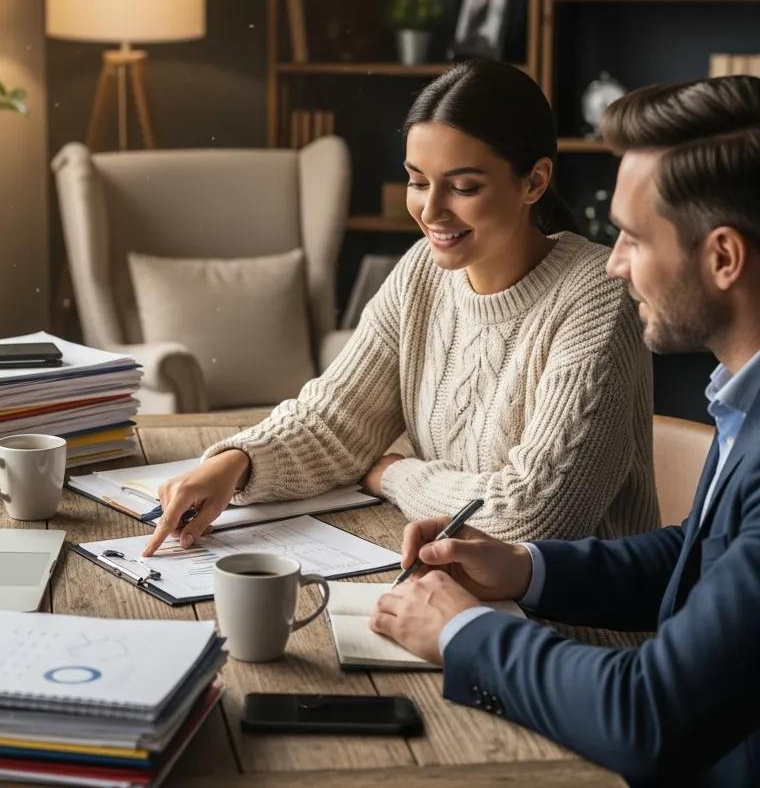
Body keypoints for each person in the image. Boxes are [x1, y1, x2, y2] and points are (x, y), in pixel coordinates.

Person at [370, 76, 760, 787]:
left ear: (723, 258)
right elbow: (700, 555)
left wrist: (460, 630)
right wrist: (526, 567)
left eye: (633, 237)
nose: (614, 262)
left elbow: (648, 716)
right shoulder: (744, 399)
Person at [144, 60, 658, 562]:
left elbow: (534, 516)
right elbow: (336, 420)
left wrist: (394, 474)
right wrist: (236, 464)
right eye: (417, 181)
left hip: (573, 608)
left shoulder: (598, 296)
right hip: (442, 576)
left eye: (463, 187)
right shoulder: (422, 272)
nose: (431, 211)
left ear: (534, 182)